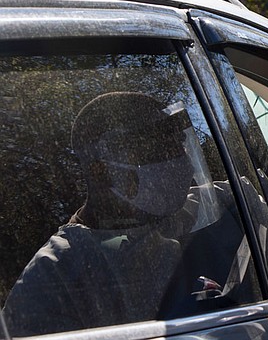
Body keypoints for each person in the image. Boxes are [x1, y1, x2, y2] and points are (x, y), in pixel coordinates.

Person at [2, 92, 198, 336]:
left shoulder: (187, 214)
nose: (180, 163)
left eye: (177, 147)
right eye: (157, 152)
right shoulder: (51, 281)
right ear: (101, 173)